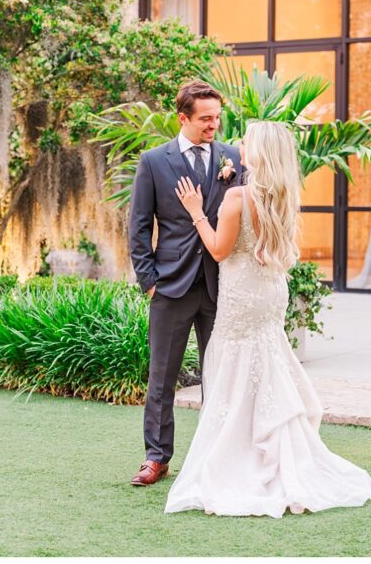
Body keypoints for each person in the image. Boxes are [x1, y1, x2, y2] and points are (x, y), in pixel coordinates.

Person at [163, 120, 371, 518]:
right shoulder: (281, 196)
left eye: (247, 139)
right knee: (268, 362)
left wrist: (195, 212)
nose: (240, 143)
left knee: (233, 367)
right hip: (271, 292)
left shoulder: (238, 197)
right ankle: (275, 450)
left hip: (242, 294)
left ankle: (242, 458)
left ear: (258, 151)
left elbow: (219, 250)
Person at [127, 80, 243, 487]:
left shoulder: (233, 157)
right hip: (170, 286)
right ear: (183, 118)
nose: (214, 125)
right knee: (162, 377)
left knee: (220, 374)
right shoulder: (155, 161)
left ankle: (218, 454)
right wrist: (149, 281)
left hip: (220, 286)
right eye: (206, 119)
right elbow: (139, 226)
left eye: (217, 117)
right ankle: (156, 458)